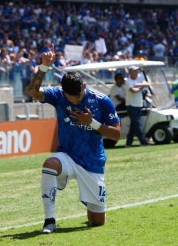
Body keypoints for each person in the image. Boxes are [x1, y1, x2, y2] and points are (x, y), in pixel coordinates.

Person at [27, 44, 121, 234]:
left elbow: (117, 135)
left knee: (97, 222)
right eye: (71, 99)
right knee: (49, 163)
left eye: (77, 97)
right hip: (68, 155)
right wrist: (44, 67)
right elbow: (33, 92)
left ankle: (88, 198)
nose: (75, 102)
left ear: (84, 86)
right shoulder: (59, 96)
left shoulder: (102, 101)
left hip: (92, 162)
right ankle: (49, 221)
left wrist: (92, 122)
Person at [124, 66, 152, 147]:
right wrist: (141, 87)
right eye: (135, 71)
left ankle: (128, 143)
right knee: (137, 124)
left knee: (134, 125)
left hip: (138, 104)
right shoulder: (127, 81)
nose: (137, 73)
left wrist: (139, 85)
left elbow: (148, 84)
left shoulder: (137, 80)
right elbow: (133, 91)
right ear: (130, 73)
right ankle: (143, 141)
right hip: (131, 105)